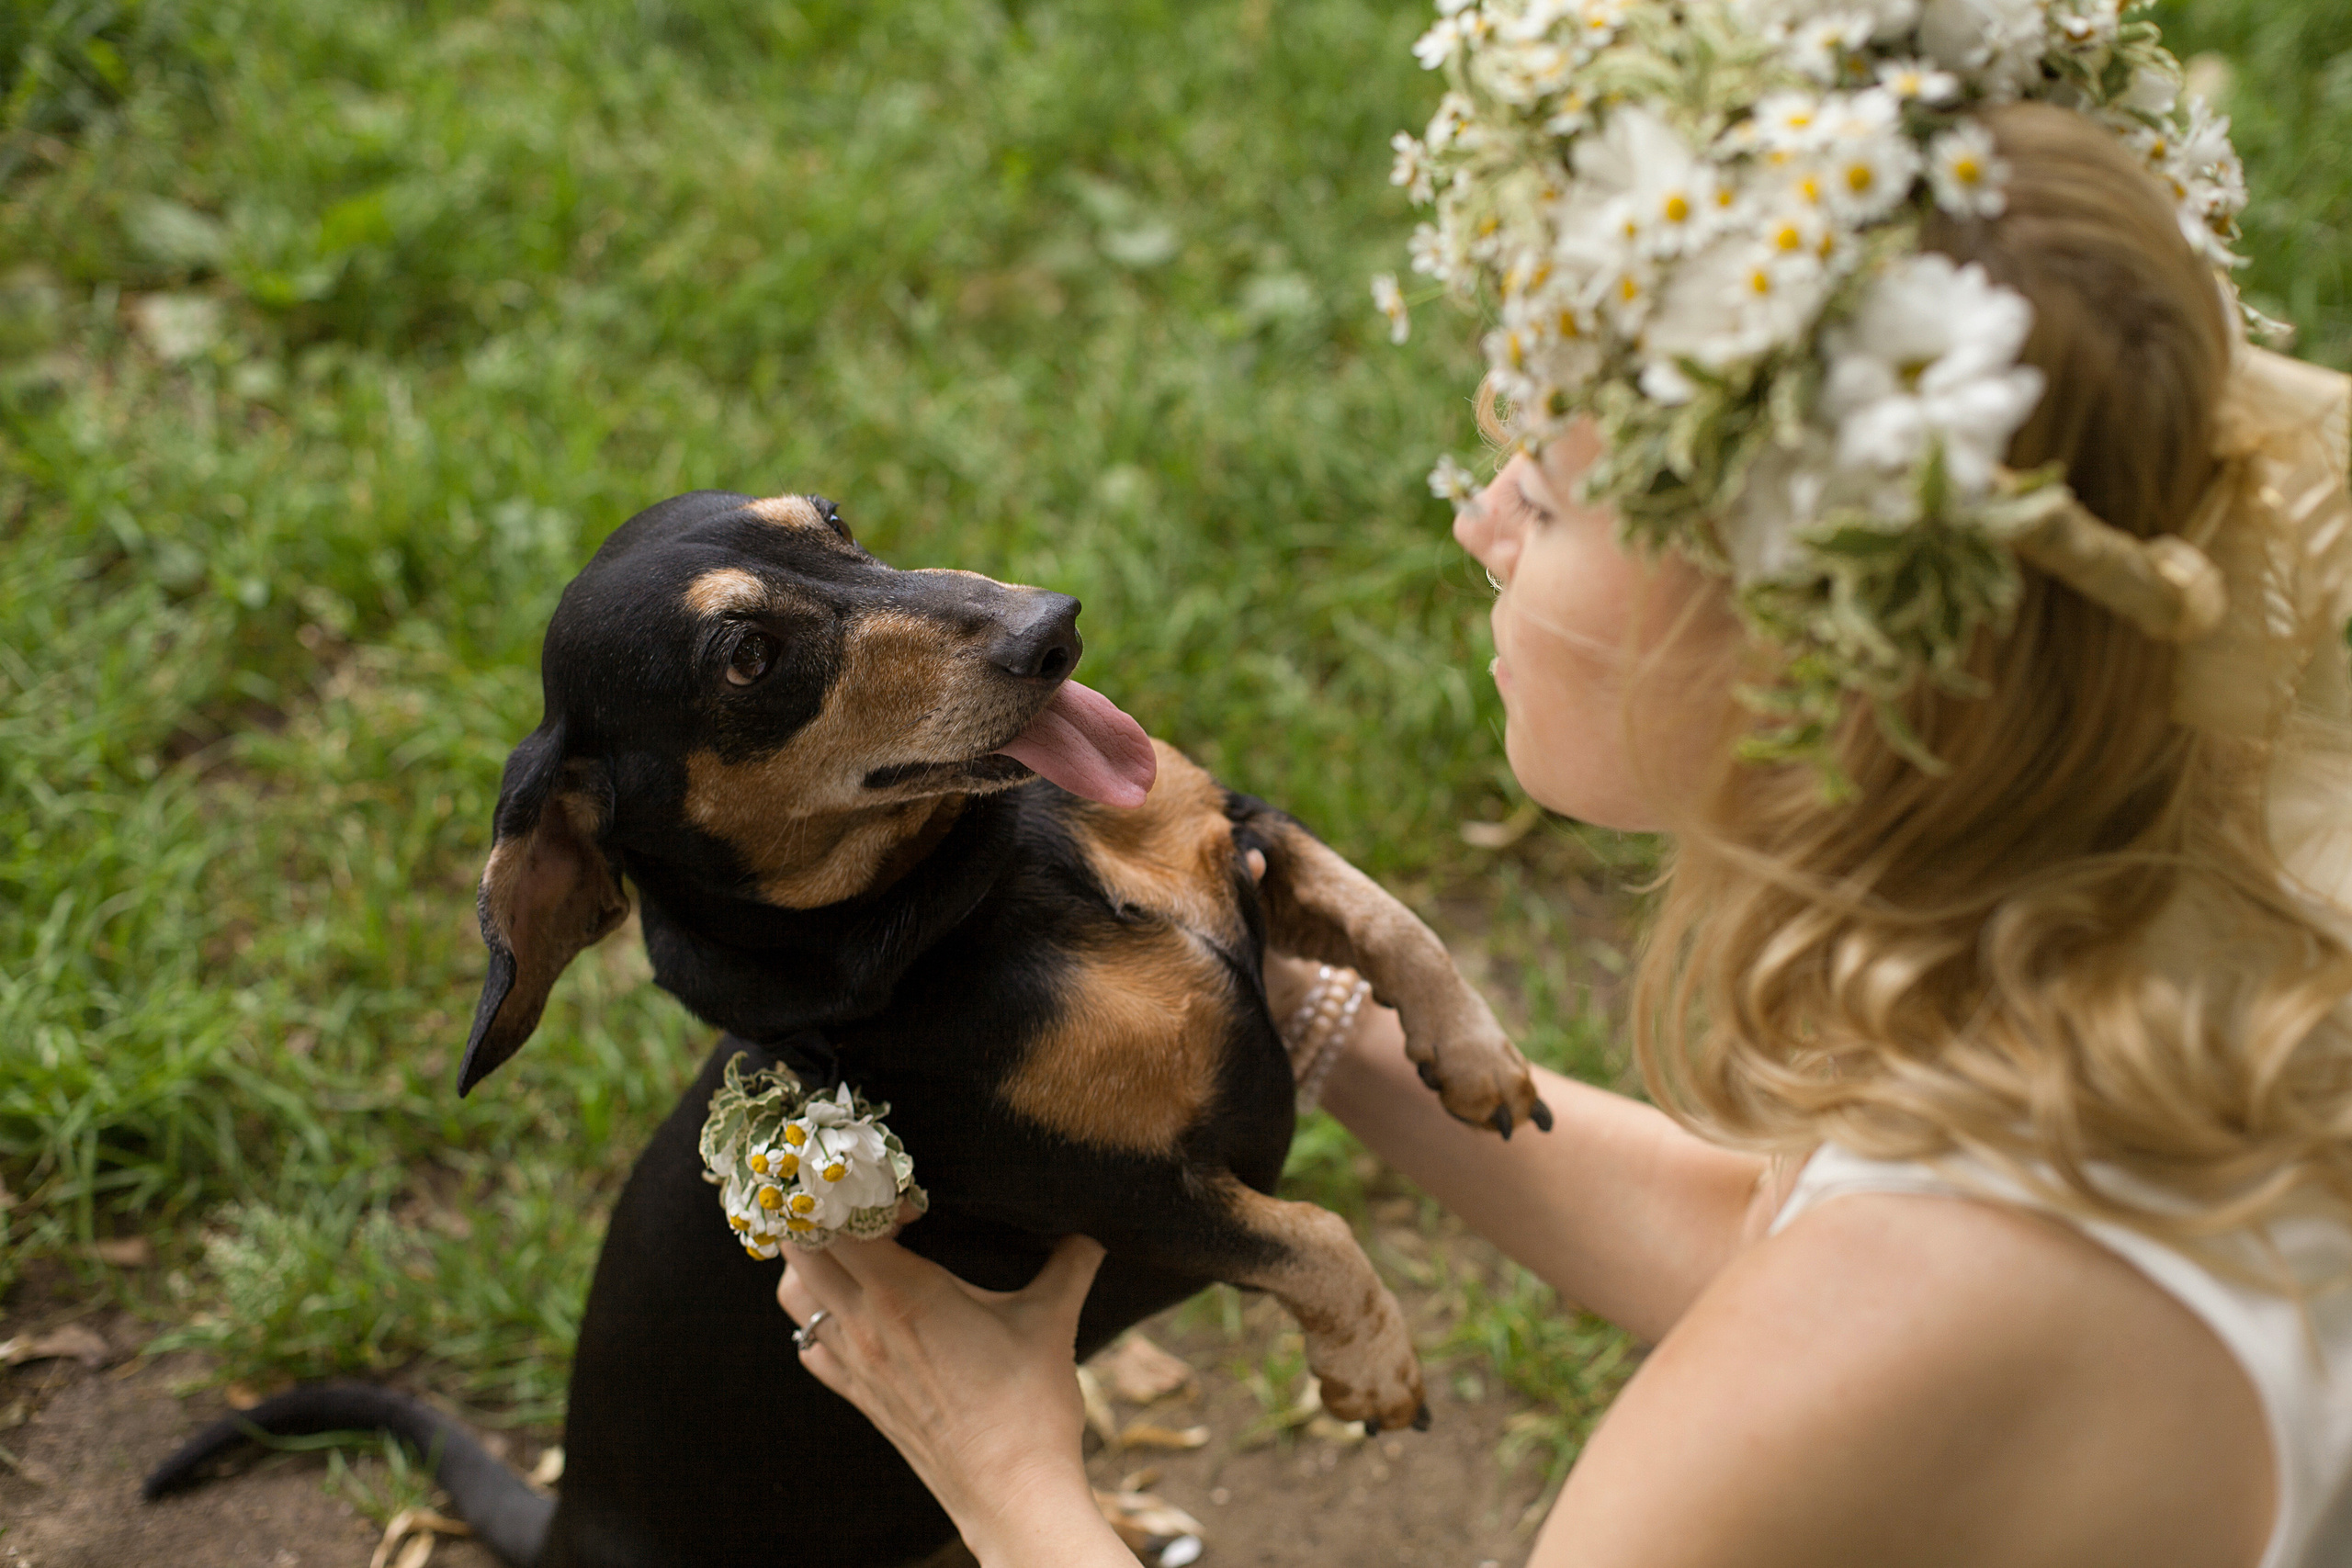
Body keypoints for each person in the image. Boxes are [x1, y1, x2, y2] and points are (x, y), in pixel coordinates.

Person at [775, 5, 2352, 1563]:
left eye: (1538, 494)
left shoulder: (1876, 1336)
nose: (1481, 528)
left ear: (1806, 644)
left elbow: (1826, 1312)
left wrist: (1000, 1471)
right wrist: (1314, 1007)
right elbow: (1760, 1239)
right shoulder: (2167, 885)